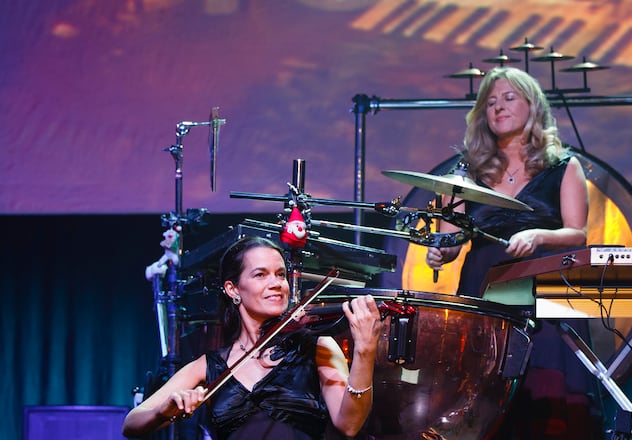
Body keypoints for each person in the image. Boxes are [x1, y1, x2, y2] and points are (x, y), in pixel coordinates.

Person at [425, 66, 600, 439]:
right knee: (485, 393)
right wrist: (440, 253)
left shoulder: (563, 166)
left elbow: (578, 234)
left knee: (544, 396)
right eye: (490, 102)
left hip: (544, 295)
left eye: (508, 98)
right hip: (485, 292)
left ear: (532, 106)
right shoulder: (465, 173)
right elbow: (451, 240)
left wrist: (539, 235)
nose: (498, 108)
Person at [123, 236, 383, 439]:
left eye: (280, 274)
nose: (277, 283)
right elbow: (131, 424)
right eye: (260, 274)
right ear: (232, 288)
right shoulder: (209, 365)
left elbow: (349, 424)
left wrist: (365, 351)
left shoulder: (317, 348)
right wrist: (163, 411)